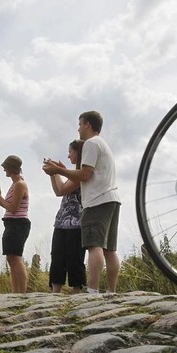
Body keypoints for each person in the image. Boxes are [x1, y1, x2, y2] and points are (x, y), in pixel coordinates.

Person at [43, 111, 121, 294]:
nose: (78, 129)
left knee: (95, 246)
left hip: (97, 200)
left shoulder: (91, 144)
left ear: (87, 124)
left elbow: (85, 174)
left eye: (80, 124)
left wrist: (58, 171)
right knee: (110, 249)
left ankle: (93, 291)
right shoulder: (102, 144)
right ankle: (111, 291)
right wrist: (60, 170)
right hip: (111, 198)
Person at [0, 155, 31, 293]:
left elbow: (13, 208)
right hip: (11, 223)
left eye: (6, 168)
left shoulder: (20, 184)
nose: (4, 171)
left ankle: (21, 292)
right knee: (11, 257)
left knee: (16, 257)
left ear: (11, 168)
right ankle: (16, 291)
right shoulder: (14, 185)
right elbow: (8, 205)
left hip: (18, 224)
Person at [45, 140, 86, 293]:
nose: (68, 156)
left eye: (70, 152)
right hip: (62, 220)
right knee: (57, 256)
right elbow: (58, 191)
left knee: (74, 258)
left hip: (76, 221)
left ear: (77, 152)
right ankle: (55, 291)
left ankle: (77, 290)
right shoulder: (72, 174)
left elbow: (62, 189)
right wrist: (54, 173)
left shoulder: (81, 173)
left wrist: (56, 171)